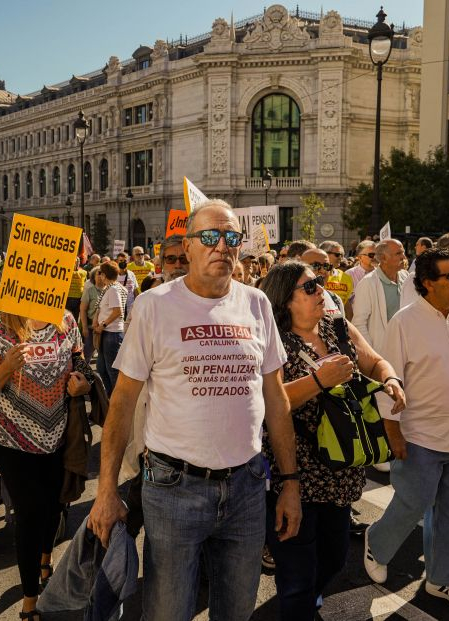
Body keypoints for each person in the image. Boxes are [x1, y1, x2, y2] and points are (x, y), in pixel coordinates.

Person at [88, 200, 301, 621]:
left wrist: (290, 483)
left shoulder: (257, 303)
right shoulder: (154, 305)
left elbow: (276, 400)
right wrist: (106, 490)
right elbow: (122, 403)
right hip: (173, 489)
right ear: (187, 247)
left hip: (246, 487)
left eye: (231, 237)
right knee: (168, 613)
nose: (222, 245)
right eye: (209, 237)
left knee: (237, 612)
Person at [259, 261, 405, 620]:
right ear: (285, 299)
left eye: (320, 282)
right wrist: (319, 381)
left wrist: (390, 379)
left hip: (341, 468)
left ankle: (307, 603)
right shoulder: (271, 340)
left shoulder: (336, 325)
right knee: (297, 575)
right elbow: (267, 401)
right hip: (295, 472)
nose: (321, 291)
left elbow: (374, 361)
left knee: (335, 558)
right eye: (310, 287)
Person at [363, 248, 449, 612]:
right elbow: (390, 382)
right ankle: (377, 544)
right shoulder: (405, 322)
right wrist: (393, 433)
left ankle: (442, 580)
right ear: (428, 283)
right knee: (413, 502)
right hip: (420, 435)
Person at [0, 309, 94, 620]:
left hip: (57, 438)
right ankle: (30, 600)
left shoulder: (66, 321)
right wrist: (6, 368)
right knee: (30, 514)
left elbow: (80, 363)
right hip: (10, 440)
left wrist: (84, 383)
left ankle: (45, 560)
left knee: (54, 507)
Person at [351, 238, 409, 353]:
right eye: (398, 253)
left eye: (403, 252)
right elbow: (359, 323)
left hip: (406, 349)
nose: (403, 257)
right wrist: (372, 354)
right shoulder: (367, 283)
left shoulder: (406, 277)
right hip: (382, 352)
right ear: (383, 258)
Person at [93, 262, 127, 396]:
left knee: (112, 371)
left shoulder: (113, 289)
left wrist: (103, 325)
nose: (99, 276)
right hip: (107, 333)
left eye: (100, 273)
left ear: (104, 275)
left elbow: (118, 311)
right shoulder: (111, 288)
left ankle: (117, 399)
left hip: (111, 334)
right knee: (102, 368)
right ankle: (111, 397)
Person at [300, 248, 344, 319]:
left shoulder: (335, 299)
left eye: (326, 266)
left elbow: (342, 325)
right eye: (315, 266)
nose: (323, 271)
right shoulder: (293, 300)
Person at [319, 241, 354, 315]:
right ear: (324, 253)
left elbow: (347, 305)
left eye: (342, 255)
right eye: (337, 255)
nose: (340, 258)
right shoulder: (314, 276)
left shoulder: (346, 277)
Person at [78, 265, 103, 362]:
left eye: (103, 273)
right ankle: (84, 370)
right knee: (87, 354)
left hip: (105, 328)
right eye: (98, 273)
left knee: (103, 355)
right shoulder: (89, 291)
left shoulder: (110, 290)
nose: (101, 276)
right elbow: (83, 310)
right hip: (91, 327)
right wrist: (84, 327)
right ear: (93, 277)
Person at [65, 256, 86, 321]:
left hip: (68, 297)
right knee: (75, 316)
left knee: (66, 317)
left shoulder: (66, 271)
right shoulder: (84, 273)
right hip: (78, 298)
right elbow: (85, 283)